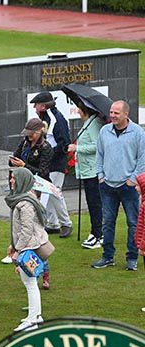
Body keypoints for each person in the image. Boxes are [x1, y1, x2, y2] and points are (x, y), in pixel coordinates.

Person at [92, 100, 145, 270]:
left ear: (126, 114)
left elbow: (142, 159)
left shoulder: (137, 132)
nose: (112, 116)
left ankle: (132, 258)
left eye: (116, 113)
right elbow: (99, 155)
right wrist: (100, 175)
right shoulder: (104, 131)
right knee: (107, 222)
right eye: (111, 112)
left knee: (133, 223)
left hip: (128, 186)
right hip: (107, 185)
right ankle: (107, 257)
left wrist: (133, 179)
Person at [7, 118, 53, 288]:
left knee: (35, 234)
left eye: (31, 133)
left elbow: (43, 172)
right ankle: (35, 269)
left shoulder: (46, 149)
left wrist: (25, 166)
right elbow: (15, 156)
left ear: (39, 131)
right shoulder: (25, 143)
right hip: (23, 188)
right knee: (28, 232)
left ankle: (43, 272)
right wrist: (15, 162)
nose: (28, 137)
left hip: (37, 191)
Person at [5, 167, 48, 332]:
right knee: (31, 283)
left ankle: (33, 320)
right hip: (29, 245)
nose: (11, 181)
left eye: (14, 178)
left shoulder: (25, 203)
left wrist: (18, 249)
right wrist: (13, 245)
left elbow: (26, 229)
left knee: (30, 283)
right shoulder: (25, 199)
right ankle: (35, 315)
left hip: (29, 247)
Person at [31, 91, 73, 238]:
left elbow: (64, 144)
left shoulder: (57, 119)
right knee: (46, 191)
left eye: (36, 105)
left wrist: (48, 153)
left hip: (56, 162)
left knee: (54, 193)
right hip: (48, 161)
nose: (34, 108)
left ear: (43, 106)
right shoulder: (48, 117)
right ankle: (53, 224)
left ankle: (66, 223)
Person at [67, 103, 104, 249]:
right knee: (92, 202)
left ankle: (98, 234)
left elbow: (97, 145)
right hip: (87, 170)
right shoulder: (89, 123)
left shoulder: (94, 124)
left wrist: (78, 148)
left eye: (79, 109)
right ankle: (95, 232)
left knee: (95, 203)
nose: (77, 111)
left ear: (85, 111)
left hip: (92, 170)